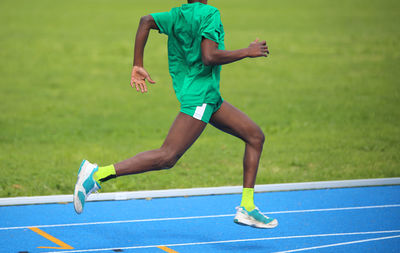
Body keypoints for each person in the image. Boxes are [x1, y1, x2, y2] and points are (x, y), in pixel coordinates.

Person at [74, 0, 278, 229]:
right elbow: (209, 56)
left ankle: (247, 207)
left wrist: (137, 64)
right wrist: (246, 51)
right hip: (200, 97)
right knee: (167, 156)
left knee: (254, 136)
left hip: (206, 95)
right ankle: (97, 174)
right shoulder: (210, 13)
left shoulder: (176, 15)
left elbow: (146, 21)